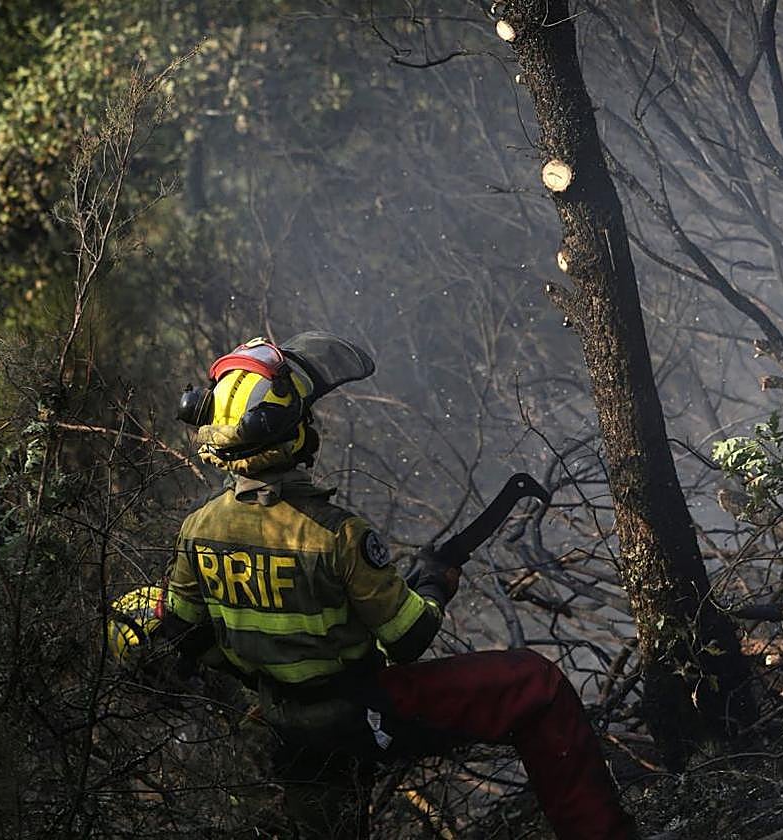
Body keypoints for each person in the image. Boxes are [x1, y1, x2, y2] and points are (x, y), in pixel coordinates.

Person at [109, 332, 636, 839]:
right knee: (535, 686)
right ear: (292, 431)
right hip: (359, 713)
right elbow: (408, 638)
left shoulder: (198, 530)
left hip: (285, 725)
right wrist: (432, 584)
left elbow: (182, 627)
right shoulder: (335, 534)